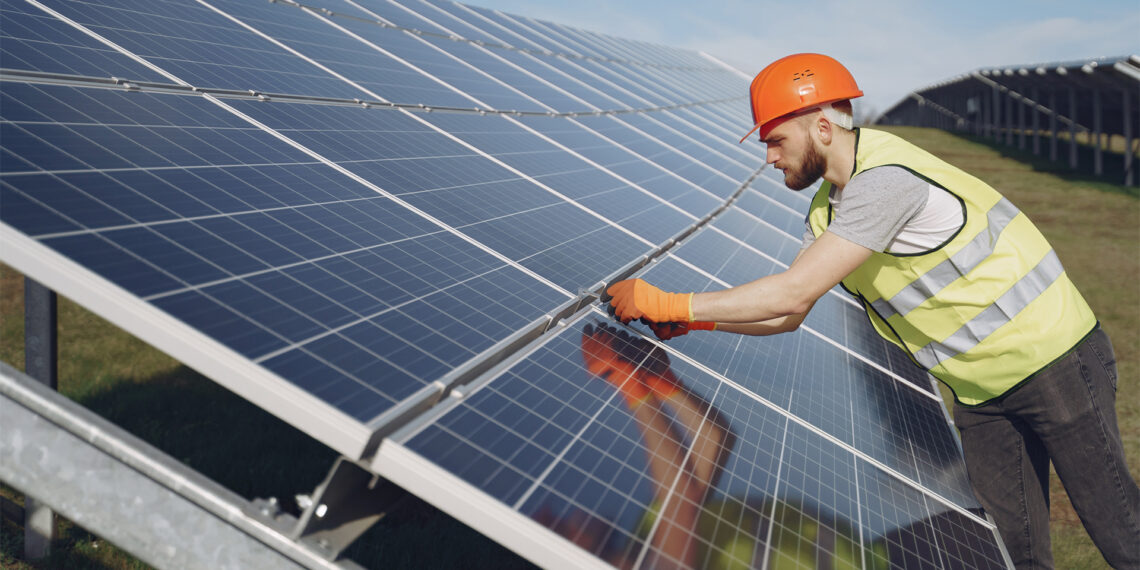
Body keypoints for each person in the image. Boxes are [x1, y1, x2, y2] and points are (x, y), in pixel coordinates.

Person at [603, 53, 1140, 569]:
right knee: (1012, 556)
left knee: (1121, 533)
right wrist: (697, 320)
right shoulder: (825, 212)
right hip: (981, 394)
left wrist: (669, 300)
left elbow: (791, 292)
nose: (769, 157)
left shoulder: (885, 180)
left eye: (775, 140)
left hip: (1054, 362)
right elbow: (792, 312)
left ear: (821, 127)